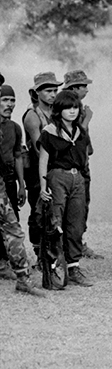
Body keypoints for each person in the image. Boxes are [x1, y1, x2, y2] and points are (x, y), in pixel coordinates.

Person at [38, 90, 93, 287]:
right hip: (57, 177)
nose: (72, 111)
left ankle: (74, 266)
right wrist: (43, 185)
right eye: (68, 108)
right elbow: (43, 161)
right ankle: (54, 268)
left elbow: (86, 157)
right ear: (58, 110)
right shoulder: (49, 132)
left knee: (76, 223)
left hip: (76, 177)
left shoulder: (81, 133)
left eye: (76, 107)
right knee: (55, 222)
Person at [63, 70, 102, 260]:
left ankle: (77, 243)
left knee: (82, 206)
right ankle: (71, 247)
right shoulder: (68, 108)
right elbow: (75, 136)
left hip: (82, 163)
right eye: (83, 86)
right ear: (73, 88)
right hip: (72, 167)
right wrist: (86, 120)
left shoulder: (77, 107)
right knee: (74, 209)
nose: (86, 89)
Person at [22, 72, 62, 262]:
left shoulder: (57, 113)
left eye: (55, 90)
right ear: (37, 93)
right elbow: (41, 150)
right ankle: (40, 253)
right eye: (48, 90)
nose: (53, 94)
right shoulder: (33, 116)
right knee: (39, 213)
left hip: (56, 168)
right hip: (38, 172)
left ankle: (54, 253)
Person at [0, 84, 26, 279]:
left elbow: (18, 156)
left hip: (9, 178)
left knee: (11, 220)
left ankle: (7, 261)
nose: (9, 105)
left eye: (12, 100)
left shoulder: (15, 128)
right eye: (5, 100)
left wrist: (21, 185)